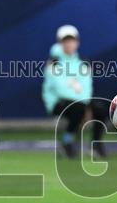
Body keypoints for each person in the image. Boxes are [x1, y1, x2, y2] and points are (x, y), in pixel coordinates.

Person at [43, 25, 106, 158]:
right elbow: (60, 89)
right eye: (65, 41)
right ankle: (67, 143)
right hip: (57, 103)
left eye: (72, 40)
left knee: (101, 109)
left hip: (81, 102)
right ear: (60, 43)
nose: (69, 44)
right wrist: (83, 104)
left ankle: (96, 145)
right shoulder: (53, 63)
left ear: (77, 42)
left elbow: (87, 86)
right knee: (77, 109)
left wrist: (86, 104)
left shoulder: (82, 63)